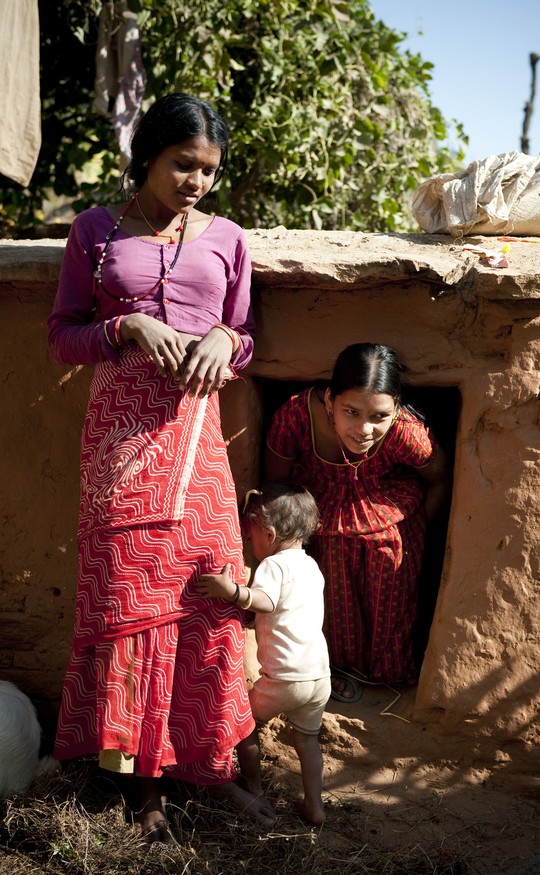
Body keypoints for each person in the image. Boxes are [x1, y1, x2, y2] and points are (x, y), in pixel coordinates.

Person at [47, 92, 275, 841]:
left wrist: (223, 343)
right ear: (148, 154)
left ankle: (185, 769)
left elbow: (243, 334)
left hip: (196, 442)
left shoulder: (228, 240)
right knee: (123, 608)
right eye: (183, 165)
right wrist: (127, 325)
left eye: (208, 171)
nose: (196, 183)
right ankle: (124, 777)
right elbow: (63, 336)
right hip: (118, 440)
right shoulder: (95, 232)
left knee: (202, 597)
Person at [264, 343, 450, 704]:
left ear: (395, 408)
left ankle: (386, 675)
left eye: (379, 415)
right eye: (351, 411)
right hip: (323, 516)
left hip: (390, 512)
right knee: (331, 575)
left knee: (390, 561)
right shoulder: (296, 417)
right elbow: (276, 488)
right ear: (330, 399)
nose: (364, 429)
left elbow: (439, 478)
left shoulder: (405, 433)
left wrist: (417, 533)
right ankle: (341, 668)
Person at [196, 483, 331, 825]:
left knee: (245, 723)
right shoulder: (311, 567)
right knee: (308, 740)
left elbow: (266, 602)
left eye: (251, 535)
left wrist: (232, 592)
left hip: (286, 678)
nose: (249, 543)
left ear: (269, 535)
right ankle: (315, 805)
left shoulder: (273, 566)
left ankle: (253, 785)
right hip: (319, 677)